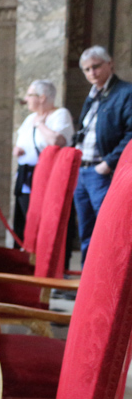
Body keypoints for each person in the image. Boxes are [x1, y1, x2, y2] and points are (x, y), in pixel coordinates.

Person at [73, 45, 132, 259]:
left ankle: (106, 284)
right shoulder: (93, 95)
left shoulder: (126, 92)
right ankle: (86, 285)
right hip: (83, 171)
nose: (91, 73)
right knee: (86, 230)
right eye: (86, 70)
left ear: (110, 64)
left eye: (96, 67)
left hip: (103, 172)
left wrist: (107, 164)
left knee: (107, 230)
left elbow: (131, 134)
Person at [11, 79, 74, 240]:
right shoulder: (30, 118)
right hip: (26, 177)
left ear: (42, 97)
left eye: (30, 94)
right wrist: (18, 150)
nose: (26, 98)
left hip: (48, 178)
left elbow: (56, 141)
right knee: (27, 222)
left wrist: (40, 124)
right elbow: (20, 143)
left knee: (44, 226)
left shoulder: (61, 114)